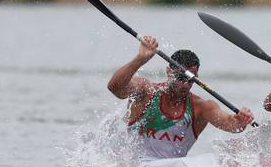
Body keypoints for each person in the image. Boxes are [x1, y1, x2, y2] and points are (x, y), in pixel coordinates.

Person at [108, 35, 254, 160]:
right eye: (180, 77)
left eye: (191, 80)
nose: (185, 85)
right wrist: (140, 59)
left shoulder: (201, 107)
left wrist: (241, 120)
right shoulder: (146, 91)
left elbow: (231, 124)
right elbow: (115, 88)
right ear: (168, 72)